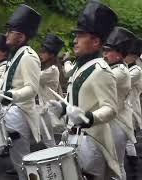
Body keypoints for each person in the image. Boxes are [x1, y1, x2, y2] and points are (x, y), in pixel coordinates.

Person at [47, 1, 121, 179]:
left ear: (96, 41)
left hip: (91, 141)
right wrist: (64, 109)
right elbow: (79, 102)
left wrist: (89, 117)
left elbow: (111, 109)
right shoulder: (81, 67)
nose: (74, 40)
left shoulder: (101, 70)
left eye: (80, 36)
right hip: (72, 137)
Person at [0, 4, 42, 180]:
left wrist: (11, 95)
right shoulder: (14, 55)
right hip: (1, 108)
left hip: (18, 112)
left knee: (21, 161)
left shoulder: (29, 56)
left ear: (21, 36)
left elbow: (32, 88)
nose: (6, 34)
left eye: (10, 31)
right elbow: (3, 79)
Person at [103, 26, 136, 180]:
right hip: (108, 122)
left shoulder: (121, 71)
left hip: (117, 123)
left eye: (108, 51)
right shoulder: (114, 68)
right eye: (104, 50)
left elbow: (101, 81)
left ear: (119, 54)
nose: (104, 54)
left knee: (116, 166)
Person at [38, 33, 64, 147]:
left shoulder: (52, 70)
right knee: (48, 141)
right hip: (42, 109)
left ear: (52, 55)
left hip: (47, 110)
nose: (40, 54)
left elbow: (33, 76)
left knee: (50, 142)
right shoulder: (46, 68)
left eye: (44, 52)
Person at [125, 38, 142, 180]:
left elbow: (122, 81)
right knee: (128, 141)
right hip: (123, 110)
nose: (126, 56)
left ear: (135, 56)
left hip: (130, 110)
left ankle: (135, 171)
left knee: (130, 140)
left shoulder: (137, 70)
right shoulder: (126, 68)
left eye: (129, 54)